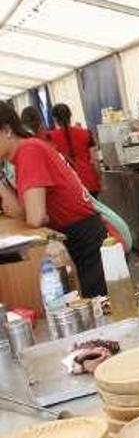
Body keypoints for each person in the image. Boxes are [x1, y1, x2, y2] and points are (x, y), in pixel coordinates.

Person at [0, 102, 107, 298]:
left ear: (6, 130)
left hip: (84, 239)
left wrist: (36, 216)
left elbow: (35, 218)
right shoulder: (21, 155)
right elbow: (21, 214)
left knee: (102, 310)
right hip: (76, 235)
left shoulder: (28, 151)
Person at [47, 103, 101, 196]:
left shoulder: (50, 137)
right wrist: (99, 179)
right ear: (70, 115)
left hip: (68, 184)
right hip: (89, 182)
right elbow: (95, 160)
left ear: (55, 119)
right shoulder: (86, 133)